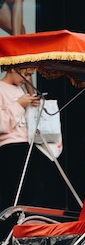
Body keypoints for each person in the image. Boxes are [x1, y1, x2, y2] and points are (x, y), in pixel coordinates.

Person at [0, 66, 40, 213]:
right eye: (26, 75)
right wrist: (19, 104)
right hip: (9, 147)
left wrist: (31, 98)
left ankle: (21, 229)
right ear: (12, 69)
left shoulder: (20, 89)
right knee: (12, 196)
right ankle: (7, 232)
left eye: (30, 75)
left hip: (27, 145)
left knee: (28, 195)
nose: (28, 79)